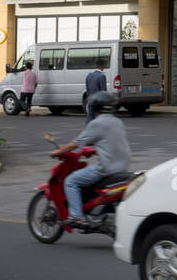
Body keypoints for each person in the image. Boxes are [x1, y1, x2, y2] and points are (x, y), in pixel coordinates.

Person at [52, 91, 131, 229]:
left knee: (71, 181)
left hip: (106, 169)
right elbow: (111, 143)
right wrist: (95, 151)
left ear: (94, 108)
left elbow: (75, 144)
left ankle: (76, 217)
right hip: (122, 167)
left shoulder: (97, 123)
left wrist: (58, 151)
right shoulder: (117, 122)